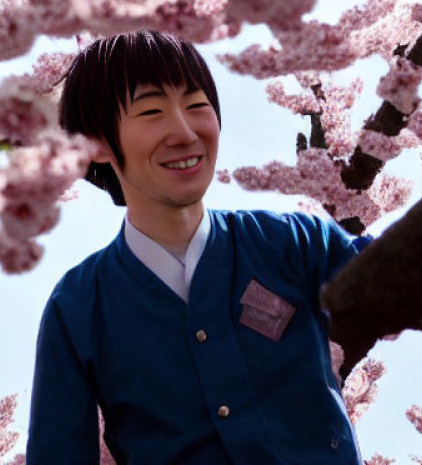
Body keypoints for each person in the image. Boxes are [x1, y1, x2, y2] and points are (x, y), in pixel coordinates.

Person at [26, 30, 368, 465]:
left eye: (197, 105)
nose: (185, 133)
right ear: (95, 142)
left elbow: (398, 279)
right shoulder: (78, 307)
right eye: (151, 111)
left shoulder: (296, 243)